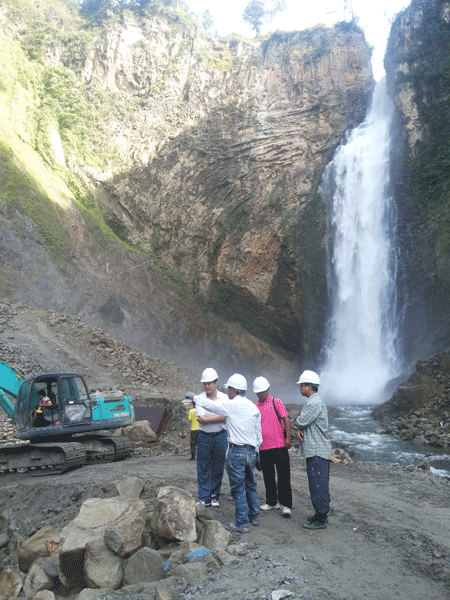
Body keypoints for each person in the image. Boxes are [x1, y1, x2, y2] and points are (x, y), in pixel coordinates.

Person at [195, 373, 262, 534]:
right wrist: (257, 450)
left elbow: (211, 406)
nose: (228, 391)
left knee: (238, 488)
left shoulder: (230, 405)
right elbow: (258, 434)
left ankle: (242, 523)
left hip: (236, 450)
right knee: (250, 484)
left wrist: (195, 398)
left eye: (229, 389)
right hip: (251, 451)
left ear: (233, 390)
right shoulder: (253, 407)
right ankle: (254, 516)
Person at [296, 370, 332, 530]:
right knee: (317, 483)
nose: (300, 388)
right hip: (316, 450)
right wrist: (300, 428)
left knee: (318, 484)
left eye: (302, 385)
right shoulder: (314, 401)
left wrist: (299, 426)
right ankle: (319, 513)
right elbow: (304, 423)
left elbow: (302, 421)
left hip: (317, 450)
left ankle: (321, 517)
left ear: (309, 387)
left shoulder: (313, 403)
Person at [253, 376, 293, 517]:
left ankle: (286, 504)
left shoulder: (276, 402)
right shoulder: (255, 407)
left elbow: (286, 419)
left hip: (279, 446)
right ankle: (271, 502)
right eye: (259, 392)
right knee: (268, 476)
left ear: (268, 390)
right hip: (263, 447)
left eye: (263, 392)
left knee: (284, 476)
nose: (261, 394)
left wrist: (287, 438)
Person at [194, 368, 228, 508]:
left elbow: (227, 416)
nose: (206, 386)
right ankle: (204, 497)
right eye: (205, 383)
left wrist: (210, 417)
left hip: (220, 436)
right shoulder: (199, 398)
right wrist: (219, 416)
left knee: (218, 467)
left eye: (209, 383)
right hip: (204, 437)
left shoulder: (224, 398)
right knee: (203, 467)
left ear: (216, 383)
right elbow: (201, 419)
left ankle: (214, 495)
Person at [186, 392, 199, 461]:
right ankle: (201, 456)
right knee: (200, 443)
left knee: (193, 443)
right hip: (201, 429)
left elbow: (189, 419)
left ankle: (193, 457)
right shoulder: (200, 410)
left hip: (194, 429)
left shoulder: (191, 411)